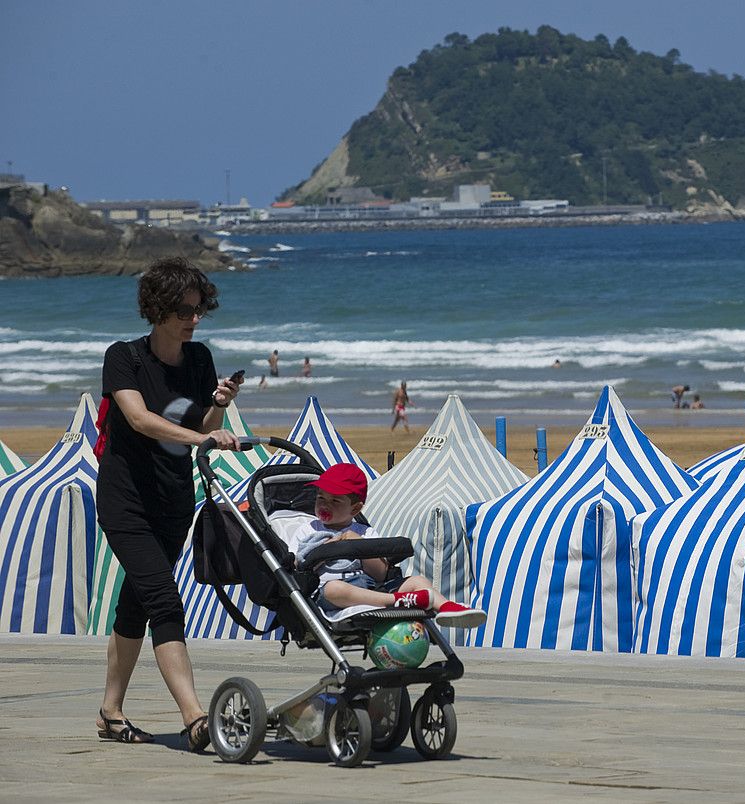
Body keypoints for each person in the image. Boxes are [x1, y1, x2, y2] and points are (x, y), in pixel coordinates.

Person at [96, 256, 243, 751]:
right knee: (163, 598)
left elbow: (196, 429)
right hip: (126, 501)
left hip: (174, 499)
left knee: (136, 602)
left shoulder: (200, 360)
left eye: (199, 309)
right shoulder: (124, 358)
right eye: (183, 309)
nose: (193, 318)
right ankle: (196, 717)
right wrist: (202, 439)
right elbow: (140, 420)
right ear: (156, 308)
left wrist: (218, 406)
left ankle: (110, 712)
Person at [269, 464, 486, 628]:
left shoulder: (365, 532)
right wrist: (327, 548)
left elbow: (381, 574)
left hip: (368, 587)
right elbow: (299, 564)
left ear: (355, 509)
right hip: (328, 591)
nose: (324, 505)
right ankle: (397, 601)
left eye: (335, 501)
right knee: (336, 589)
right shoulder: (309, 530)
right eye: (320, 498)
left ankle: (447, 607)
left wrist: (357, 544)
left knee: (418, 580)